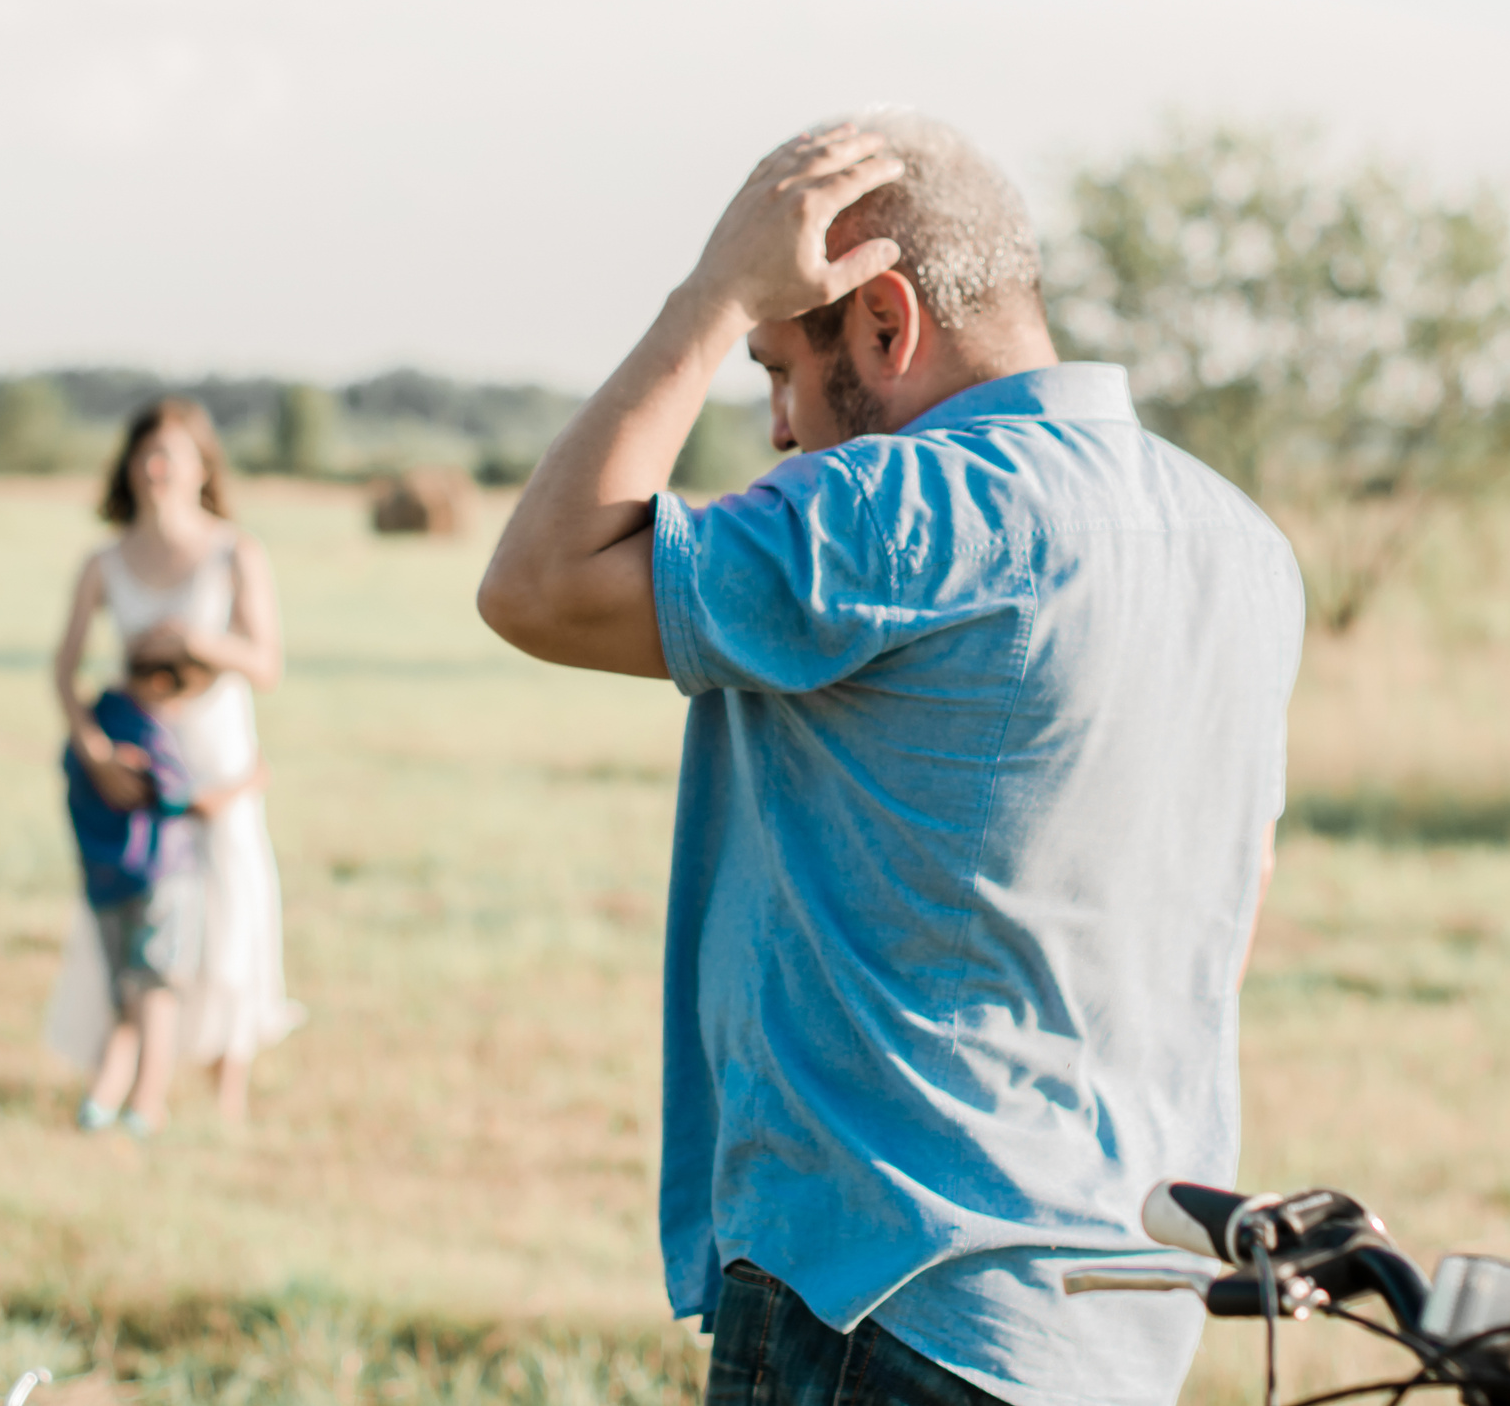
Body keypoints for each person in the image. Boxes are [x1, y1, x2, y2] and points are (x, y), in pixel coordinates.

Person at [476, 112, 1306, 1406]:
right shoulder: (1238, 541)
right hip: (1118, 1314)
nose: (778, 429)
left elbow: (537, 585)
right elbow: (1227, 908)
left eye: (772, 364)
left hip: (892, 1297)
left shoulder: (901, 505)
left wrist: (705, 296)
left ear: (884, 322)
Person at [48, 399, 305, 1126]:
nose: (157, 469)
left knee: (233, 907)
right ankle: (126, 1075)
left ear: (202, 466)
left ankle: (228, 1095)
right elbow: (63, 669)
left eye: (172, 455)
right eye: (146, 454)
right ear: (130, 466)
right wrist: (95, 753)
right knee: (138, 917)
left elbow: (266, 664)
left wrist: (199, 642)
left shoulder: (235, 552)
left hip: (217, 757)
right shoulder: (103, 561)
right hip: (139, 766)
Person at [62, 648, 267, 1137]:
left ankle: (101, 1101)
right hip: (161, 878)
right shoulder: (146, 730)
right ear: (159, 685)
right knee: (158, 993)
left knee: (125, 997)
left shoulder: (92, 725)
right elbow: (184, 799)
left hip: (102, 880)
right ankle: (146, 1104)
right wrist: (247, 783)